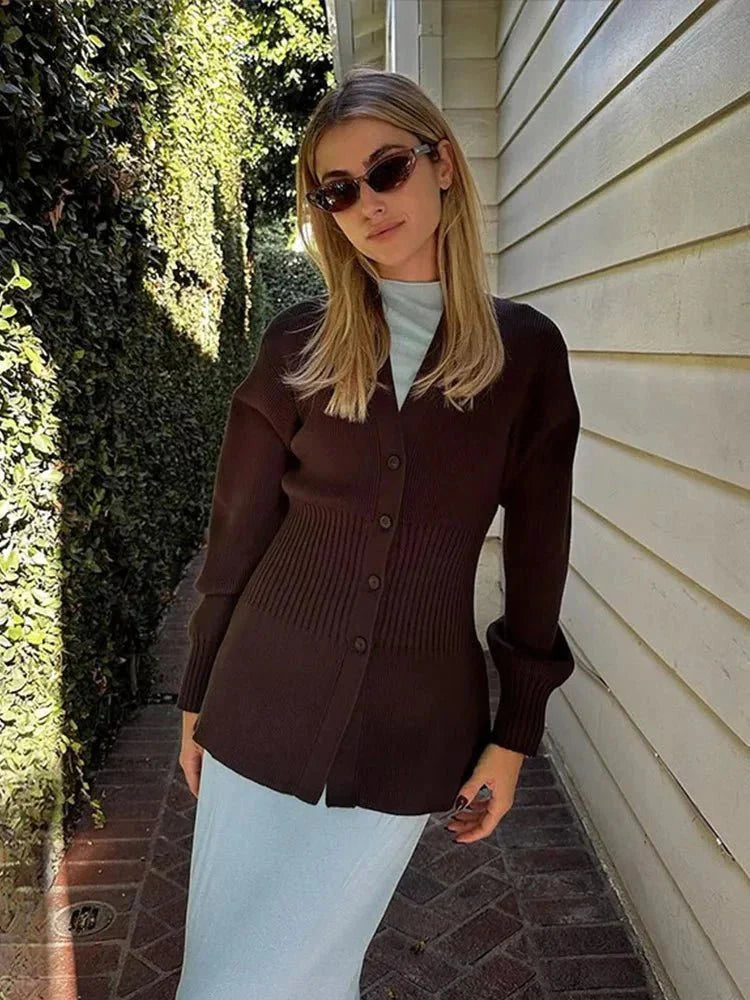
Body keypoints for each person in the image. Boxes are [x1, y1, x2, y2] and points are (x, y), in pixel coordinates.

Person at [175, 66, 580, 1000]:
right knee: (226, 979)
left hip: (410, 727)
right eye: (338, 190)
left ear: (442, 165)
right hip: (259, 700)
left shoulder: (524, 355)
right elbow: (237, 533)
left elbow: (539, 553)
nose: (368, 204)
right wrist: (198, 693)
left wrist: (515, 734)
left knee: (307, 971)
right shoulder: (299, 343)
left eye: (387, 169)